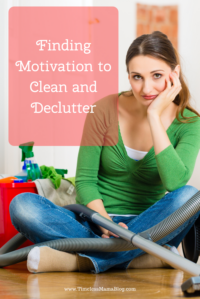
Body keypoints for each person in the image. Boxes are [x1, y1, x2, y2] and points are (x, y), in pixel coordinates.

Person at [9, 31, 200, 274]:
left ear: (174, 75)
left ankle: (78, 260)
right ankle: (146, 258)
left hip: (153, 226)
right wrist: (106, 222)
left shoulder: (189, 122)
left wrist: (154, 116)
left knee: (190, 196)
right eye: (137, 77)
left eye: (157, 76)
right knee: (22, 206)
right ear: (128, 76)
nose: (146, 88)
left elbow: (175, 183)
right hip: (97, 223)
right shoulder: (102, 110)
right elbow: (86, 180)